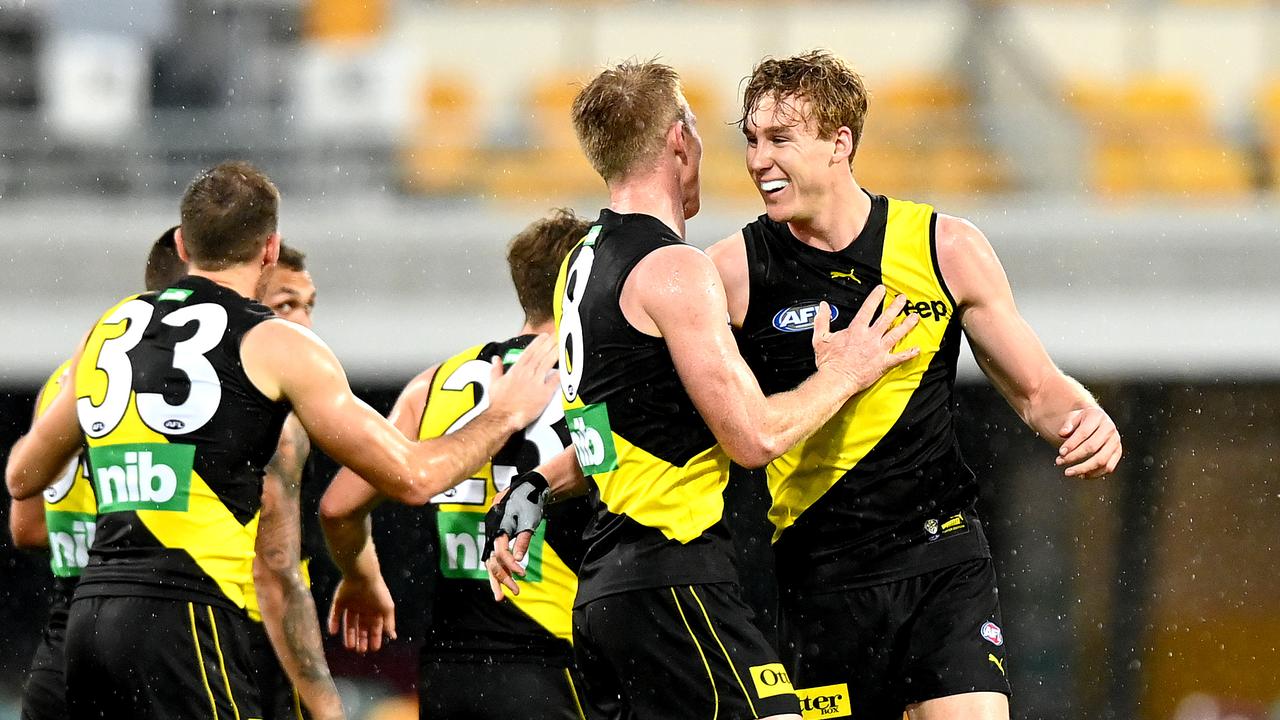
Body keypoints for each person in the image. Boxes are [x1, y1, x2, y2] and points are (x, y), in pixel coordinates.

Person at [4, 160, 560, 720]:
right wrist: (504, 414)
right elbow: (415, 479)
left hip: (89, 616)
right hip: (187, 616)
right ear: (269, 250)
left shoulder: (108, 329)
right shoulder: (277, 343)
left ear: (182, 241)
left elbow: (23, 476)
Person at [486, 60, 919, 720]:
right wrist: (847, 372)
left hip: (609, 597)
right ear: (680, 139)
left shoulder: (582, 261)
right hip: (675, 584)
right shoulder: (674, 270)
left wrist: (536, 483)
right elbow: (753, 438)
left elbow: (619, 432)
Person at [703, 50, 1123, 720]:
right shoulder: (729, 272)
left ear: (840, 143)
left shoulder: (943, 248)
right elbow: (682, 415)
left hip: (940, 557)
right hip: (817, 578)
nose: (758, 161)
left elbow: (1040, 390)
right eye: (751, 140)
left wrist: (1089, 415)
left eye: (781, 139)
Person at [320, 208, 599, 719]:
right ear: (585, 283)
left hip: (451, 670)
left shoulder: (432, 385)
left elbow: (338, 507)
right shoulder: (595, 377)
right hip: (556, 663)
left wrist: (360, 577)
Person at [7, 227, 185, 720]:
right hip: (161, 617)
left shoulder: (63, 380)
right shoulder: (182, 386)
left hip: (69, 627)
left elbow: (26, 527)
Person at [248, 241, 323, 720]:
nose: (305, 325)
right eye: (285, 306)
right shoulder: (270, 419)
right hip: (249, 631)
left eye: (309, 306)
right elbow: (272, 569)